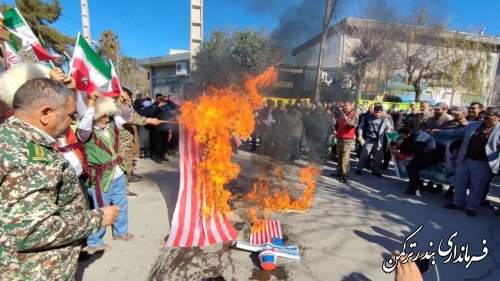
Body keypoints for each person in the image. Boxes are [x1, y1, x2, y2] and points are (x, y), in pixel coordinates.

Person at [0, 78, 119, 280]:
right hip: (34, 272)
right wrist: (97, 218)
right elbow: (31, 230)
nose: (73, 122)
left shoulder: (14, 138)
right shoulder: (25, 155)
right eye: (70, 115)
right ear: (46, 113)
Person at [77, 93, 135, 253]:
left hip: (117, 174)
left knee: (121, 204)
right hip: (100, 179)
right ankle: (95, 242)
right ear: (95, 116)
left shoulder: (111, 125)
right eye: (103, 116)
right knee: (99, 209)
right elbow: (84, 124)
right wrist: (92, 102)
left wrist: (125, 104)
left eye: (108, 116)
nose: (107, 120)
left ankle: (121, 233)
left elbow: (125, 116)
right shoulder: (85, 133)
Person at [433, 106, 500, 217]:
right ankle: (457, 203)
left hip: (483, 163)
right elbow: (456, 132)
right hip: (464, 159)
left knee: (477, 186)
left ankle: (471, 207)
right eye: (485, 113)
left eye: (489, 114)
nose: (485, 116)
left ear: (498, 117)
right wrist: (440, 131)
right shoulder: (474, 125)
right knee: (460, 182)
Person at [356, 105, 393, 177]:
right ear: (373, 111)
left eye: (379, 112)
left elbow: (389, 127)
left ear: (382, 112)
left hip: (379, 141)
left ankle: (376, 171)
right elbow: (360, 127)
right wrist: (360, 135)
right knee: (364, 155)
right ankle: (359, 169)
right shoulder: (367, 118)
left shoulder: (385, 119)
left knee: (379, 157)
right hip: (368, 140)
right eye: (375, 112)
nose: (377, 114)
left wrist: (388, 130)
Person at [334, 101, 358, 183]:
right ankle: (339, 172)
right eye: (343, 105)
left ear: (351, 106)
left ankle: (345, 176)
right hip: (339, 137)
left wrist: (346, 118)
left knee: (345, 157)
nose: (344, 107)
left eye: (346, 105)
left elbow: (353, 124)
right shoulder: (342, 114)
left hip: (347, 139)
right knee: (339, 155)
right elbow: (338, 124)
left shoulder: (354, 114)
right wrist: (335, 130)